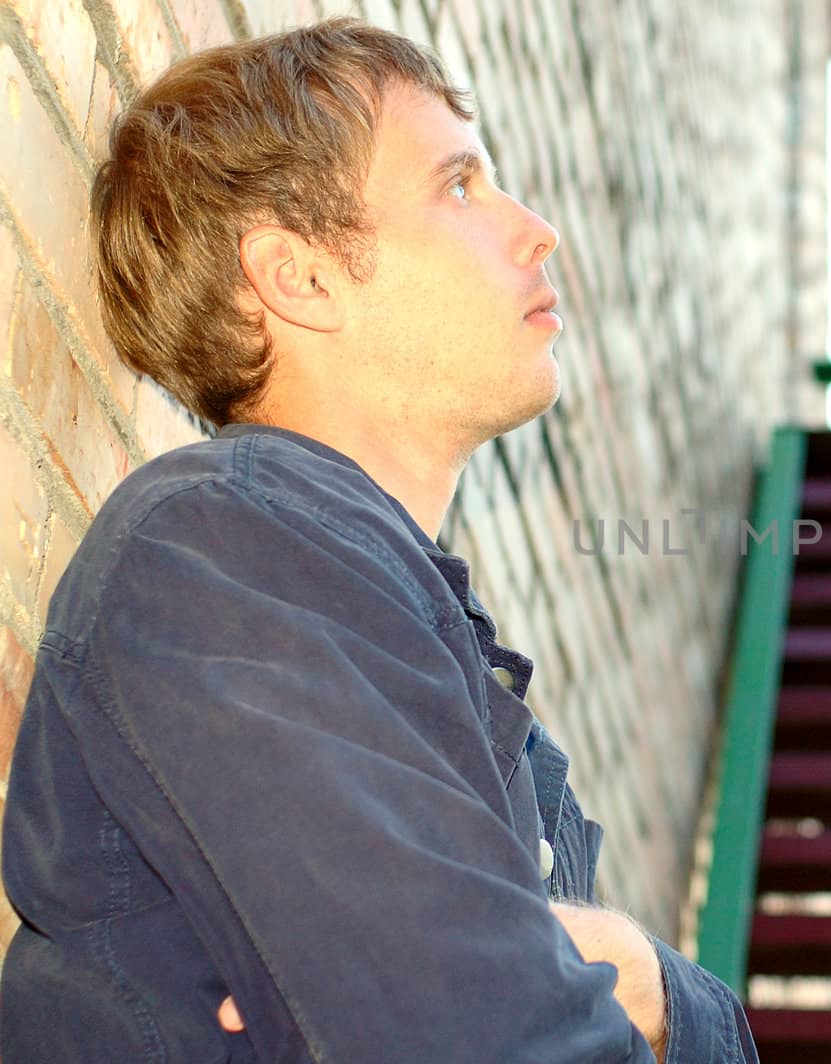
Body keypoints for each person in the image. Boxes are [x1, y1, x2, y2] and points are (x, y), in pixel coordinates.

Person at [0, 18, 758, 1063]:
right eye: (459, 184)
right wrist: (630, 993)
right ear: (299, 277)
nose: (537, 229)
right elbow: (492, 1038)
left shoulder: (452, 677)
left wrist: (656, 986)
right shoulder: (225, 545)